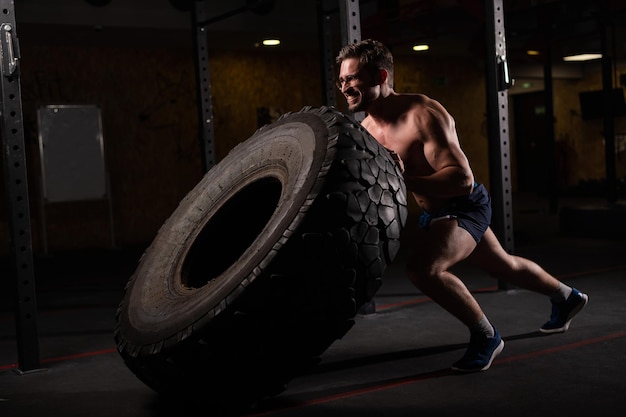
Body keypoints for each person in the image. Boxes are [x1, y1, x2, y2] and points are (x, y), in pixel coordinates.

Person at [335, 39, 588, 372]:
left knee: (424, 269)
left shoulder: (422, 114)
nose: (345, 87)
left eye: (352, 78)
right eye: (341, 80)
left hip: (464, 205)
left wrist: (405, 178)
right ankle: (567, 297)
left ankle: (487, 337)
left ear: (381, 76)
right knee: (504, 266)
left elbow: (461, 180)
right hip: (435, 213)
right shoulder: (365, 130)